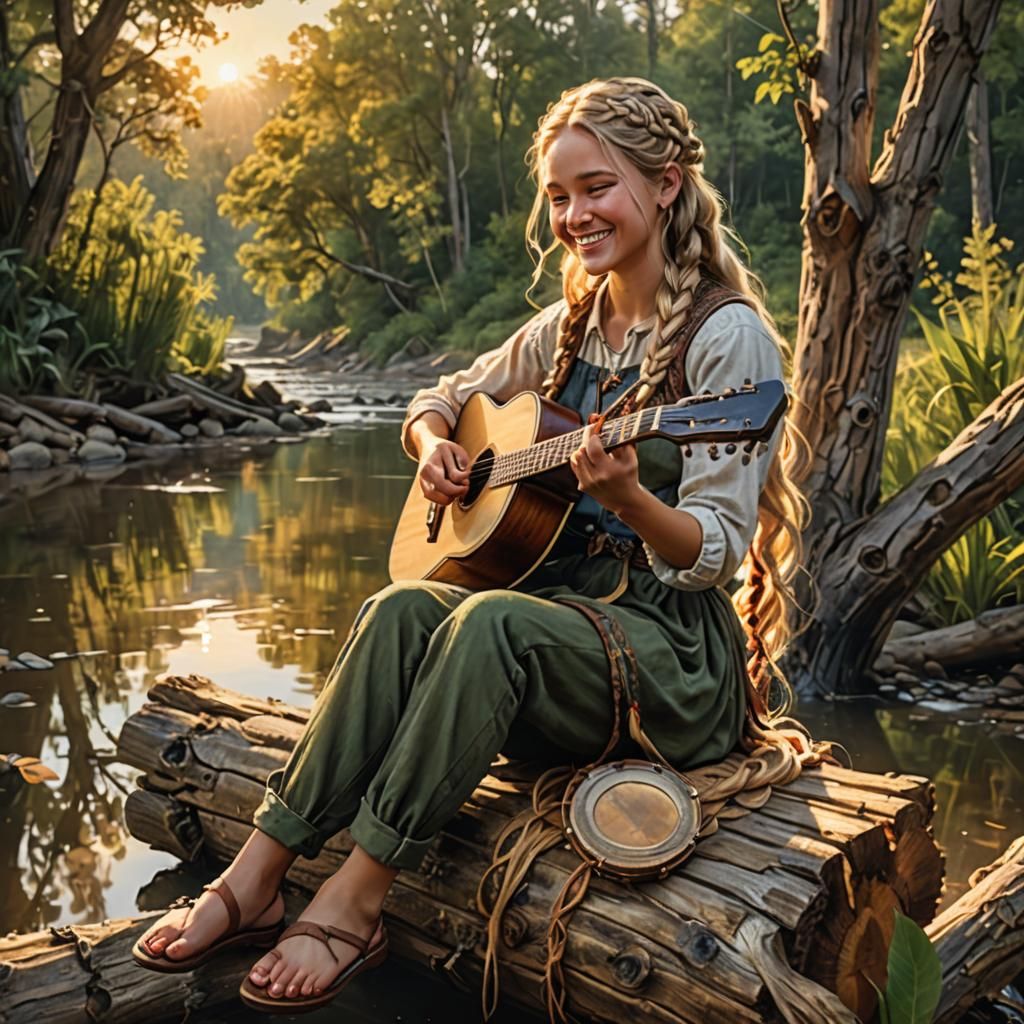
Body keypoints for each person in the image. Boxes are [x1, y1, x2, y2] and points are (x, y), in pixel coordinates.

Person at [132, 76, 809, 1014]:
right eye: (561, 195)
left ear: (664, 184)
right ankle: (258, 870)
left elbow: (714, 556)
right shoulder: (570, 328)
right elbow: (438, 397)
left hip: (674, 665)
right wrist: (435, 449)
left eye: (597, 187)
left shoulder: (724, 340)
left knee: (489, 623)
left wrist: (629, 498)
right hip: (566, 628)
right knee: (402, 603)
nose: (575, 214)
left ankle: (357, 899)